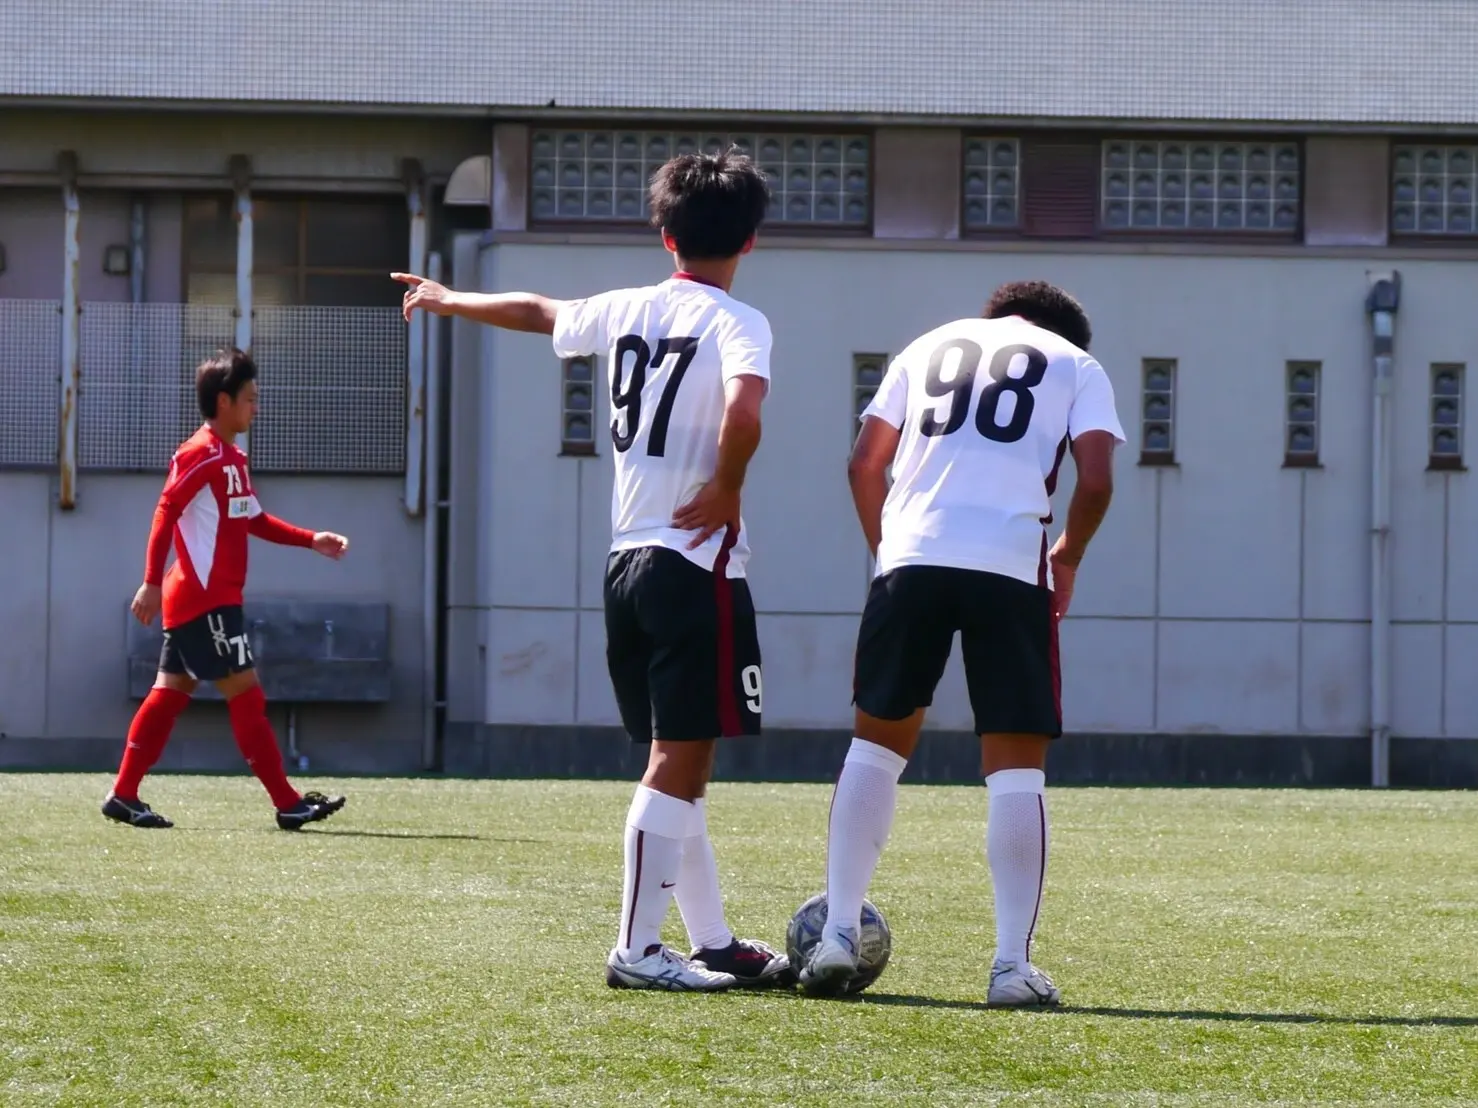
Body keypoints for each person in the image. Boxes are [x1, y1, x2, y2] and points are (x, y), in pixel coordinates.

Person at [395, 147, 789, 992]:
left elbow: (539, 310)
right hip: (693, 563)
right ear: (750, 241)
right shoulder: (737, 322)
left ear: (664, 234)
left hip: (626, 562)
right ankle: (639, 951)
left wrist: (446, 297)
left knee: (683, 756)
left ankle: (712, 940)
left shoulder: (625, 309)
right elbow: (746, 409)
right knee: (675, 761)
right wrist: (725, 486)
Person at [798, 281, 1125, 1006]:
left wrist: (889, 552)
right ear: (1066, 330)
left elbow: (863, 464)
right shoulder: (1075, 363)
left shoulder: (925, 347)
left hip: (911, 557)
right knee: (1015, 770)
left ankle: (838, 935)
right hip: (1011, 564)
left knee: (875, 748)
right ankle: (1011, 966)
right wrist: (1066, 557)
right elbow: (1096, 479)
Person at [102, 348, 351, 832]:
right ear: (224, 401)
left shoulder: (232, 457)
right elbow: (164, 511)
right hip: (205, 600)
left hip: (205, 599)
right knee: (246, 694)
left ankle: (124, 795)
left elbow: (252, 518)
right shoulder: (199, 453)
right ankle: (287, 801)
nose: (256, 408)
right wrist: (151, 580)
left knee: (169, 694)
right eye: (250, 399)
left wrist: (310, 540)